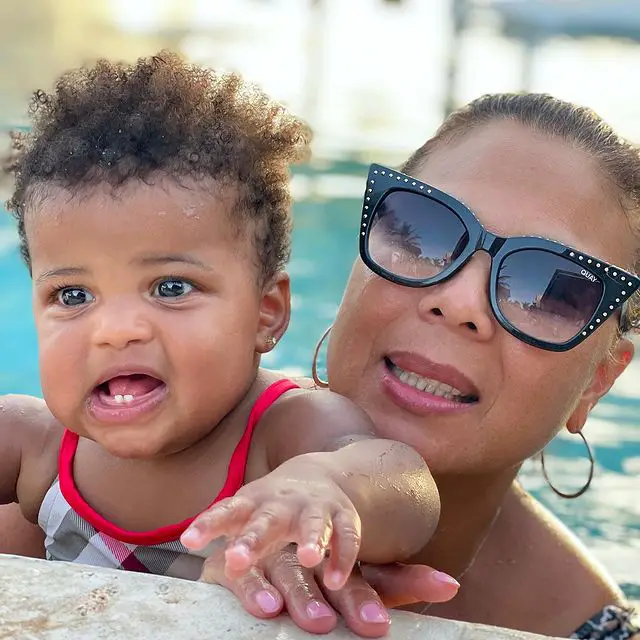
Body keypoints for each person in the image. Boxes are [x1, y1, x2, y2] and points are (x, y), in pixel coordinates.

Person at [2, 90, 638, 637]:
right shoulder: (75, 482)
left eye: (553, 288)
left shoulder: (587, 627)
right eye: (422, 230)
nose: (460, 302)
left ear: (601, 380)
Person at [0, 51, 445, 602]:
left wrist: (327, 488)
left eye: (171, 287)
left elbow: (402, 480)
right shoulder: (36, 444)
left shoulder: (283, 433)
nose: (114, 330)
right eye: (72, 295)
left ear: (267, 313)